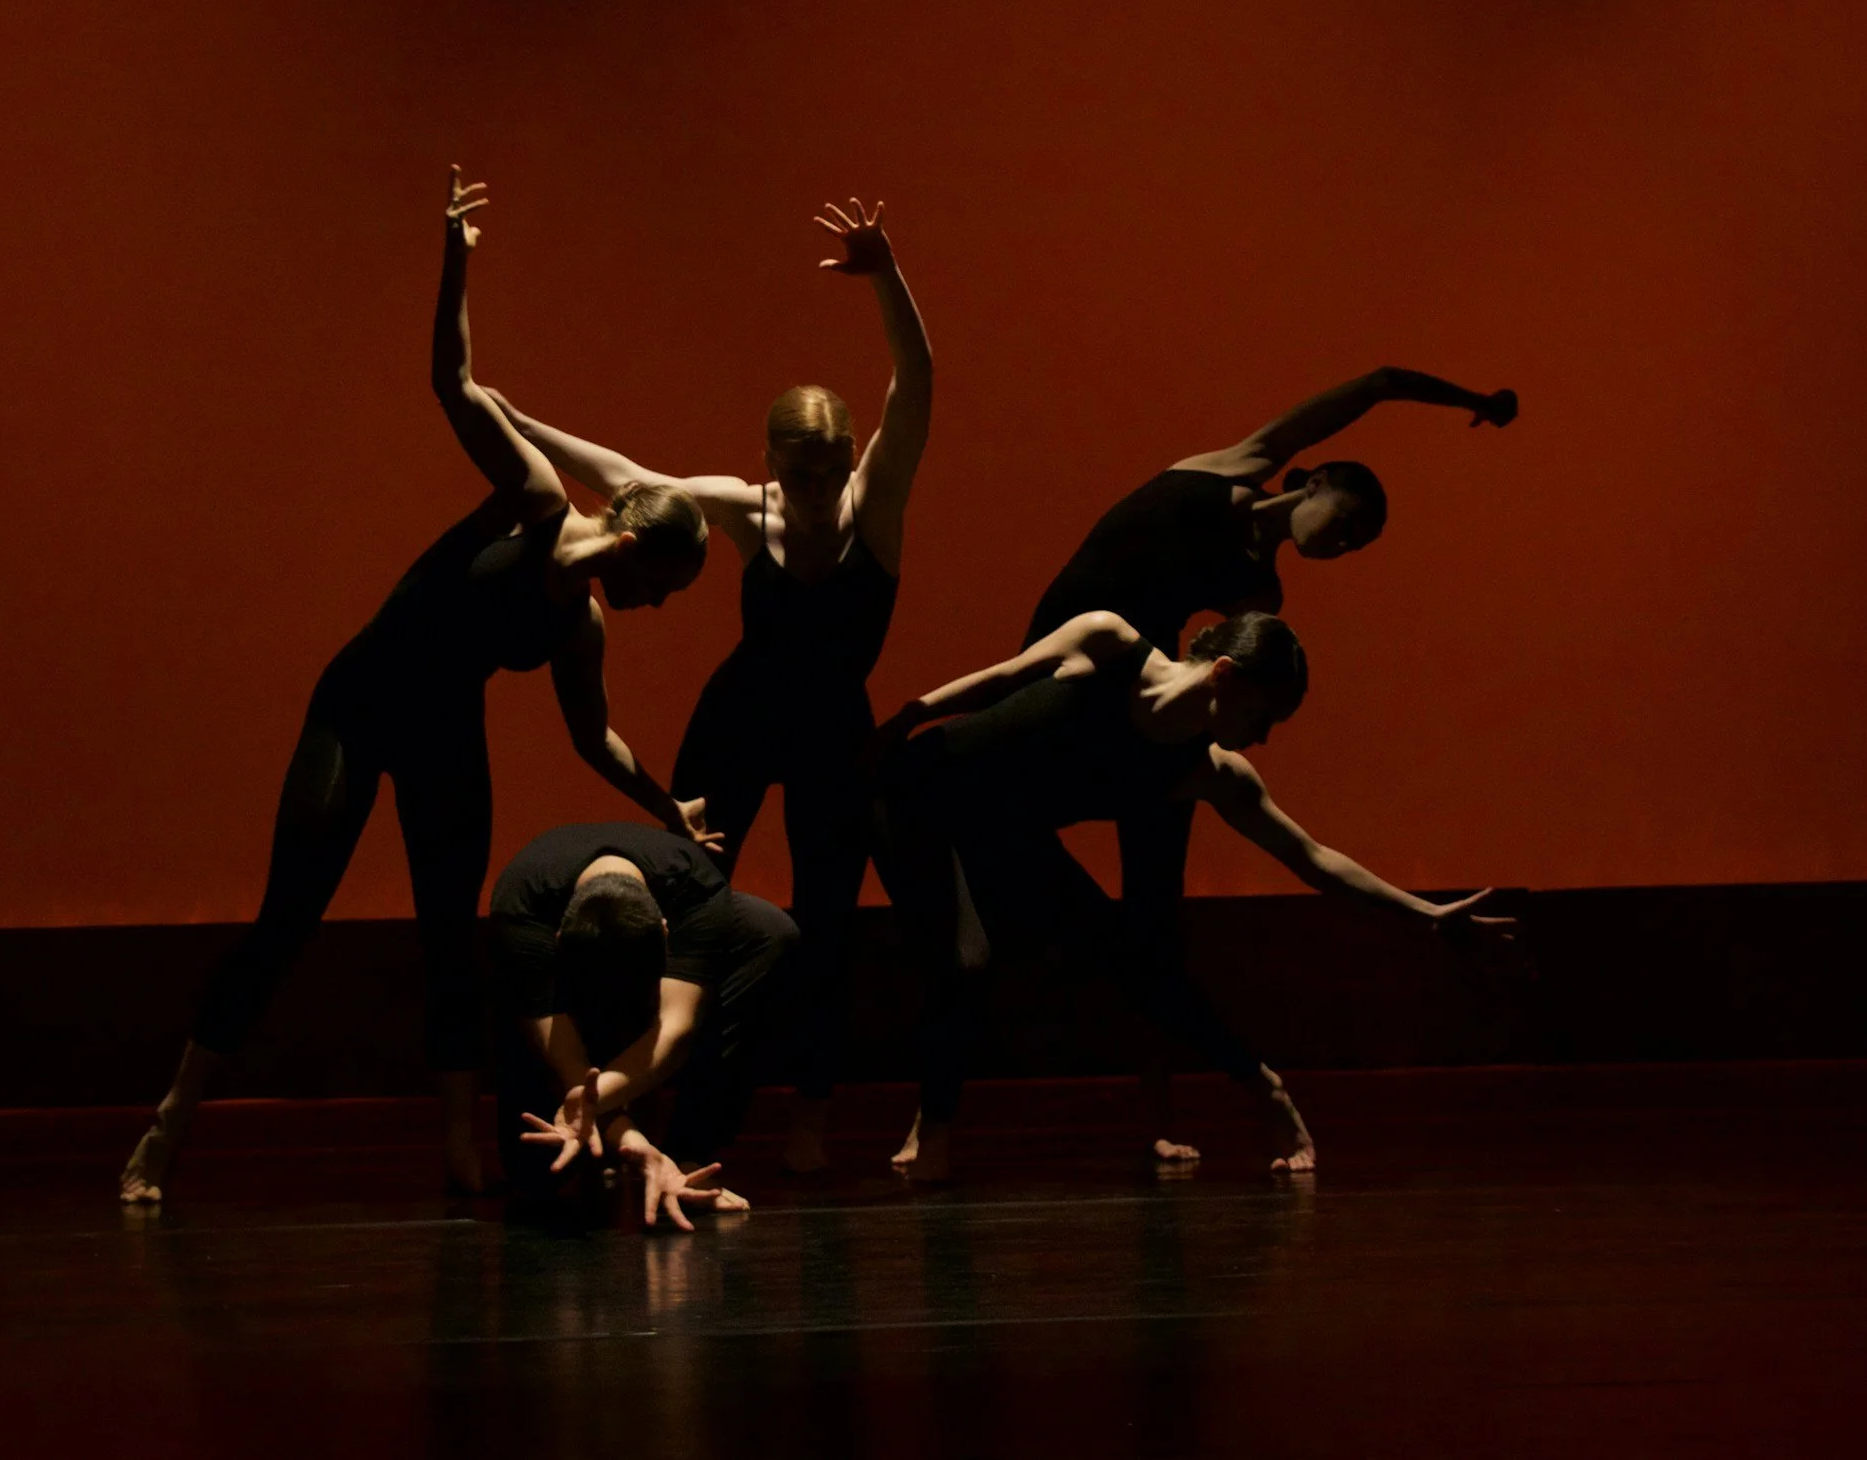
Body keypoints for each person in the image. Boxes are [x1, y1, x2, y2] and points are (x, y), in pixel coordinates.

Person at [119, 170, 716, 1206]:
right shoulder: (530, 500)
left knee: (452, 934)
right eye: (661, 587)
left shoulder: (577, 622)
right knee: (288, 916)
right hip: (358, 703)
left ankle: (455, 1146)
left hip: (445, 728)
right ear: (628, 543)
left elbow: (593, 738)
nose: (656, 608)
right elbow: (453, 381)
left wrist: (667, 804)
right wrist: (456, 262)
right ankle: (168, 1124)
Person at [495, 197, 933, 1173]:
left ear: (850, 459)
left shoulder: (878, 507)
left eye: (833, 469)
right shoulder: (750, 510)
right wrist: (517, 421)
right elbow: (627, 475)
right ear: (771, 465)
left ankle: (808, 1118)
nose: (820, 489)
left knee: (823, 924)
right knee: (684, 894)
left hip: (832, 733)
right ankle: (640, 1100)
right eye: (801, 472)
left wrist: (885, 276)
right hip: (740, 715)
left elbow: (917, 385)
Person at [1025, 366, 1516, 1160]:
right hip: (1055, 668)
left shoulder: (1260, 596)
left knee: (1156, 918)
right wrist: (1472, 401)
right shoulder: (1237, 467)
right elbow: (1379, 382)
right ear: (1315, 479)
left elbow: (1222, 676)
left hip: (1136, 709)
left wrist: (1426, 915)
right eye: (1349, 518)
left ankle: (1160, 1112)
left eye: (1356, 544)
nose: (1343, 542)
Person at [872, 608, 1515, 1183]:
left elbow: (1311, 858)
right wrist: (910, 714)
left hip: (1001, 831)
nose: (1263, 737)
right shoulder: (1109, 642)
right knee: (966, 960)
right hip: (913, 794)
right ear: (1226, 676)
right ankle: (933, 1136)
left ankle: (1265, 1089)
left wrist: (1427, 915)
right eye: (1264, 716)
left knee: (1128, 958)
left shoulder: (1207, 772)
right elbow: (1004, 678)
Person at [491, 822, 797, 1230]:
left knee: (769, 930)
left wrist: (598, 1109)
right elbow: (566, 1059)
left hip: (662, 939)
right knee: (537, 1178)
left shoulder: (695, 887)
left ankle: (692, 1150)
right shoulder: (521, 907)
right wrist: (634, 1143)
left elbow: (676, 1031)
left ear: (666, 933)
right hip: (562, 988)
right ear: (559, 938)